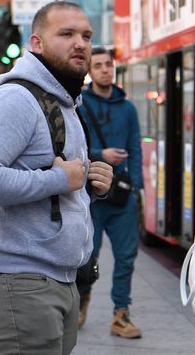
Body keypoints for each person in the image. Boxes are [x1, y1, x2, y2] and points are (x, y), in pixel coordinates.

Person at [0, 1, 113, 355]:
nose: (80, 43)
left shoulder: (66, 102)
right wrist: (59, 180)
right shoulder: (16, 98)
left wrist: (89, 183)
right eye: (66, 34)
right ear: (36, 43)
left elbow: (59, 178)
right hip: (20, 281)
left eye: (86, 35)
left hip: (59, 279)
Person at [77, 46, 143, 338]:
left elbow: (136, 147)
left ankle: (121, 314)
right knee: (87, 255)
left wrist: (136, 186)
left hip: (122, 195)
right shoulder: (79, 105)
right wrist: (100, 152)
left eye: (108, 65)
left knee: (126, 256)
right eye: (99, 65)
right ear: (90, 71)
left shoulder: (128, 108)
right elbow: (73, 149)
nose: (105, 69)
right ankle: (81, 301)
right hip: (90, 195)